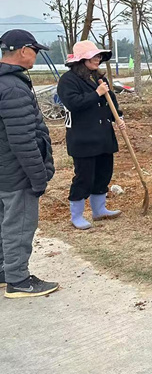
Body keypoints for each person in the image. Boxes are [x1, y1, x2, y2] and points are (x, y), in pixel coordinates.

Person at [0, 29, 59, 298]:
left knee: (5, 222)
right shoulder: (13, 88)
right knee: (19, 226)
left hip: (4, 169)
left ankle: (4, 271)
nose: (35, 56)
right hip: (16, 173)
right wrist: (38, 177)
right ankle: (19, 280)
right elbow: (23, 139)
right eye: (34, 50)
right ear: (24, 50)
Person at [57, 40, 124, 230]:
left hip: (103, 136)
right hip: (83, 138)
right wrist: (96, 93)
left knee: (104, 173)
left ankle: (99, 210)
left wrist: (118, 117)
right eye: (94, 56)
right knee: (84, 177)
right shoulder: (68, 80)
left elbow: (111, 101)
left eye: (99, 56)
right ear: (82, 60)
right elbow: (73, 103)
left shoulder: (99, 78)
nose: (98, 59)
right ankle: (77, 215)